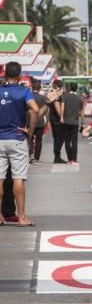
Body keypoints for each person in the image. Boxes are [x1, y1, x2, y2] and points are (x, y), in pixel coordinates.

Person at [0, 61, 41, 226]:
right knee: (18, 178)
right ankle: (22, 217)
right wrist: (30, 131)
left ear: (4, 74)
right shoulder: (24, 92)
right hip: (17, 139)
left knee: (0, 178)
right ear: (19, 75)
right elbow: (36, 109)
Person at [60, 82, 83, 165]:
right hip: (75, 122)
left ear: (69, 88)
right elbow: (81, 111)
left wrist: (61, 117)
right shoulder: (79, 98)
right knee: (74, 141)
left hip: (66, 121)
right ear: (76, 88)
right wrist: (82, 122)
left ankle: (69, 159)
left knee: (67, 141)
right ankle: (74, 159)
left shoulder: (65, 96)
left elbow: (62, 106)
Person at [29, 80, 48, 164]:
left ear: (31, 88)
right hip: (40, 121)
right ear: (40, 89)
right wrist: (47, 121)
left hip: (29, 121)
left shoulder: (28, 97)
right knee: (39, 140)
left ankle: (30, 156)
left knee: (29, 139)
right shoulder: (43, 98)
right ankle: (37, 158)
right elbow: (46, 110)